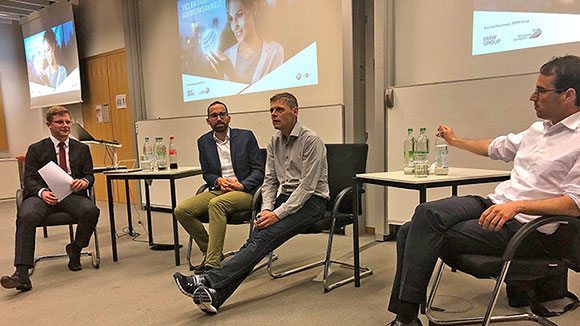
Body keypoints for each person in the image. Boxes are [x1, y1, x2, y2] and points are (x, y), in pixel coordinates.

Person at [386, 55, 580, 326]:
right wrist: (455, 141)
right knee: (426, 213)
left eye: (541, 90)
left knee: (411, 231)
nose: (532, 96)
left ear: (568, 95)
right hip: (496, 204)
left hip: (526, 227)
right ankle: (406, 319)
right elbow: (496, 147)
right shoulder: (538, 130)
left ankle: (405, 319)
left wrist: (519, 206)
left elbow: (574, 204)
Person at [173, 92, 329, 314]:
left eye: (279, 110)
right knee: (255, 239)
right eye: (272, 110)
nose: (274, 114)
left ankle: (207, 279)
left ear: (295, 112)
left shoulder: (311, 140)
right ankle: (216, 295)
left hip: (311, 203)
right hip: (285, 200)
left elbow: (307, 188)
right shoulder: (275, 141)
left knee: (261, 238)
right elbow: (270, 181)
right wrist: (266, 209)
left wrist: (276, 214)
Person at [1, 106, 100, 292]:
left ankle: (76, 249)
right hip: (42, 196)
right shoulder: (36, 149)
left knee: (91, 210)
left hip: (71, 195)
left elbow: (90, 175)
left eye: (68, 122)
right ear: (49, 124)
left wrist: (84, 182)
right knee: (26, 215)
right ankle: (21, 273)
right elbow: (28, 179)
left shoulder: (82, 148)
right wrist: (42, 192)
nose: (65, 126)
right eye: (60, 122)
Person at [175, 100, 264, 273]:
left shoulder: (246, 136)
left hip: (245, 191)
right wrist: (218, 181)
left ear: (229, 118)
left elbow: (259, 170)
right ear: (208, 121)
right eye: (214, 115)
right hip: (219, 190)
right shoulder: (203, 142)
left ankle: (212, 264)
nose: (219, 118)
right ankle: (211, 252)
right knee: (181, 210)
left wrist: (242, 185)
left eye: (222, 114)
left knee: (216, 205)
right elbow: (207, 173)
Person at [206, 0, 284, 84]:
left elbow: (268, 92)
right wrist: (219, 77)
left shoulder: (275, 51)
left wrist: (231, 73)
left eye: (239, 15)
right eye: (230, 18)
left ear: (254, 10)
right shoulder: (227, 55)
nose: (234, 26)